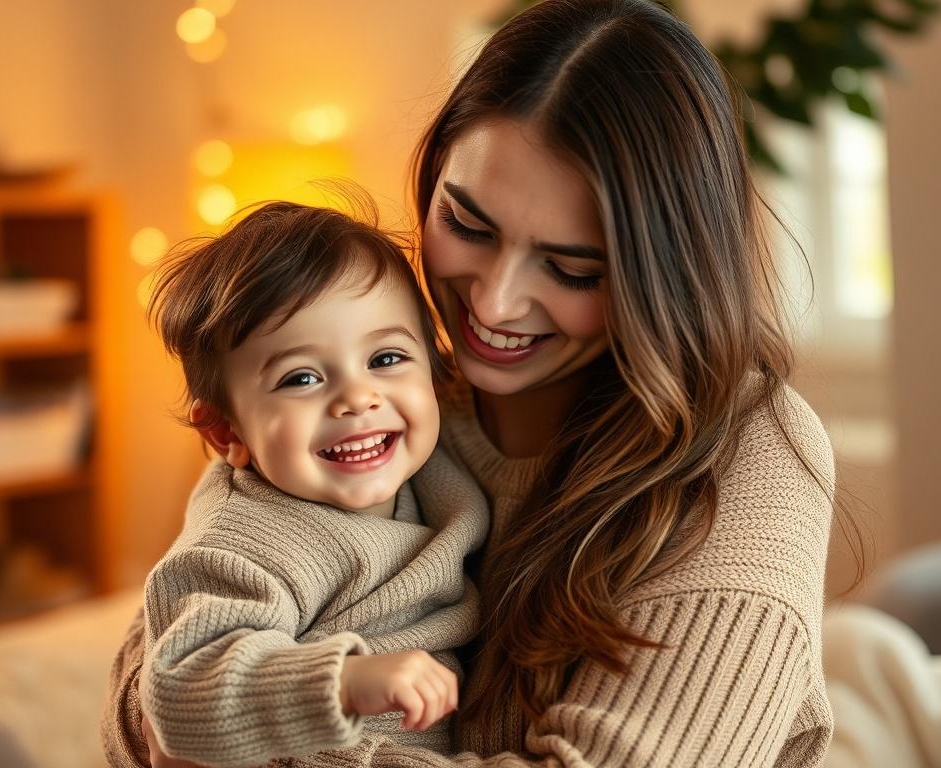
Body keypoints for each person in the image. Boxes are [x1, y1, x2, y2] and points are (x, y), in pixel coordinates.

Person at [103, 0, 851, 764]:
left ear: (665, 277)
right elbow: (150, 700)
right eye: (467, 225)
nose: (491, 305)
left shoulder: (747, 457)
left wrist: (273, 741)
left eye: (570, 269)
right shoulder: (367, 414)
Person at [133, 199, 491, 767]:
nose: (357, 397)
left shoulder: (437, 468)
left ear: (435, 367)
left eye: (387, 357)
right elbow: (177, 692)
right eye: (301, 377)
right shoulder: (246, 541)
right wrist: (343, 682)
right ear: (226, 430)